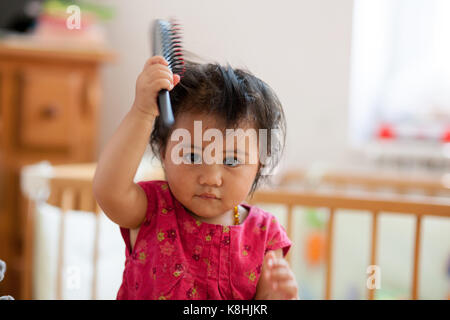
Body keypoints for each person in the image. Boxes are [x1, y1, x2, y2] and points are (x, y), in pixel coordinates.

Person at [93, 55, 298, 300]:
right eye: (191, 156)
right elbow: (109, 191)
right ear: (163, 150)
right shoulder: (151, 209)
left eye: (232, 160)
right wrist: (142, 111)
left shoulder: (264, 235)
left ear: (259, 164)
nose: (211, 178)